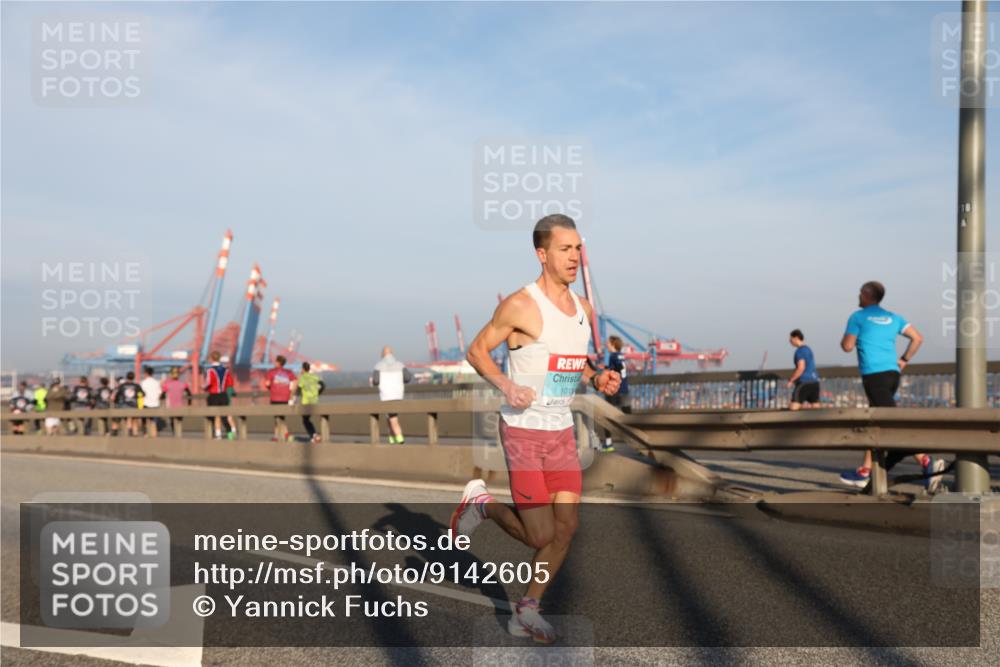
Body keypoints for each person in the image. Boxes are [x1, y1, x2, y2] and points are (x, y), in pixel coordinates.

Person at [451, 214, 621, 643]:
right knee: (539, 535)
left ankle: (527, 610)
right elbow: (476, 350)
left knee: (566, 530)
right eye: (565, 249)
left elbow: (572, 357)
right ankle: (482, 504)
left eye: (578, 248)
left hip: (562, 431)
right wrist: (507, 384)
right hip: (524, 433)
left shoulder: (583, 308)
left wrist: (597, 376)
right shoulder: (520, 305)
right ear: (541, 254)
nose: (575, 257)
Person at [839, 281, 945, 492]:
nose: (858, 296)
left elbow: (847, 346)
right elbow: (917, 338)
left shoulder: (858, 317)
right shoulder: (893, 317)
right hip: (892, 374)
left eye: (860, 293)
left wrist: (850, 339)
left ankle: (925, 460)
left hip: (873, 375)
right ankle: (865, 471)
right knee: (876, 420)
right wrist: (904, 359)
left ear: (868, 295)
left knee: (890, 423)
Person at [372, 346, 412, 444]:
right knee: (390, 418)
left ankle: (400, 440)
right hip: (398, 395)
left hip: (386, 396)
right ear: (392, 353)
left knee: (393, 420)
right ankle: (392, 439)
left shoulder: (378, 366)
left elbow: (375, 381)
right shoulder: (400, 365)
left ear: (383, 354)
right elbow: (407, 378)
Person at [600, 335, 631, 451]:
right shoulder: (620, 355)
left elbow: (619, 367)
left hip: (614, 390)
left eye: (607, 343)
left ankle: (608, 444)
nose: (606, 344)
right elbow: (620, 367)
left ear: (613, 344)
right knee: (630, 418)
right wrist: (608, 367)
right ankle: (640, 445)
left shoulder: (613, 356)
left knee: (606, 415)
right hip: (625, 389)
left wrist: (609, 371)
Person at [205, 351, 236, 440]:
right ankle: (230, 435)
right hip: (223, 395)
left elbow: (208, 383)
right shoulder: (226, 370)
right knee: (224, 416)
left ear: (211, 358)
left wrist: (203, 387)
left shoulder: (210, 370)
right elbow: (230, 383)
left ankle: (218, 434)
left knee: (215, 415)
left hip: (214, 395)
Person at [264, 355, 297, 442]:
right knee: (281, 417)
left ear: (278, 362)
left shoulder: (271, 372)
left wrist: (271, 388)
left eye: (275, 361)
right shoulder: (289, 372)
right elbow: (294, 384)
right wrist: (291, 395)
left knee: (277, 418)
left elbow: (267, 384)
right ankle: (285, 434)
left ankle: (278, 436)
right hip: (286, 398)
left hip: (275, 397)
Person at [787, 329, 820, 410]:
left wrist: (791, 380)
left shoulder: (799, 351)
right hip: (815, 383)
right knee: (815, 407)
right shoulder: (808, 349)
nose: (790, 341)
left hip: (804, 383)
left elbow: (801, 368)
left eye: (791, 338)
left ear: (796, 338)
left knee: (793, 407)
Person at [297, 361, 326, 444]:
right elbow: (323, 385)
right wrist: (318, 393)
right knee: (308, 419)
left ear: (302, 369)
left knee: (305, 420)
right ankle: (315, 435)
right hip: (314, 400)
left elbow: (299, 389)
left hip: (306, 402)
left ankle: (314, 436)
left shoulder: (302, 377)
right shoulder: (314, 376)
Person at [113, 371, 145, 436]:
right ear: (133, 377)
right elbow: (142, 394)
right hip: (134, 406)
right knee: (134, 421)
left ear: (127, 377)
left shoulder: (122, 386)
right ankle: (135, 436)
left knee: (125, 421)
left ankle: (127, 435)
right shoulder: (137, 386)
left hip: (123, 407)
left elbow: (117, 396)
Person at [140, 366, 162, 438]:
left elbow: (141, 394)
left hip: (145, 404)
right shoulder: (157, 382)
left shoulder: (143, 383)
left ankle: (145, 435)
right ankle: (154, 436)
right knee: (153, 422)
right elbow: (160, 393)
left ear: (146, 373)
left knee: (145, 422)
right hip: (155, 404)